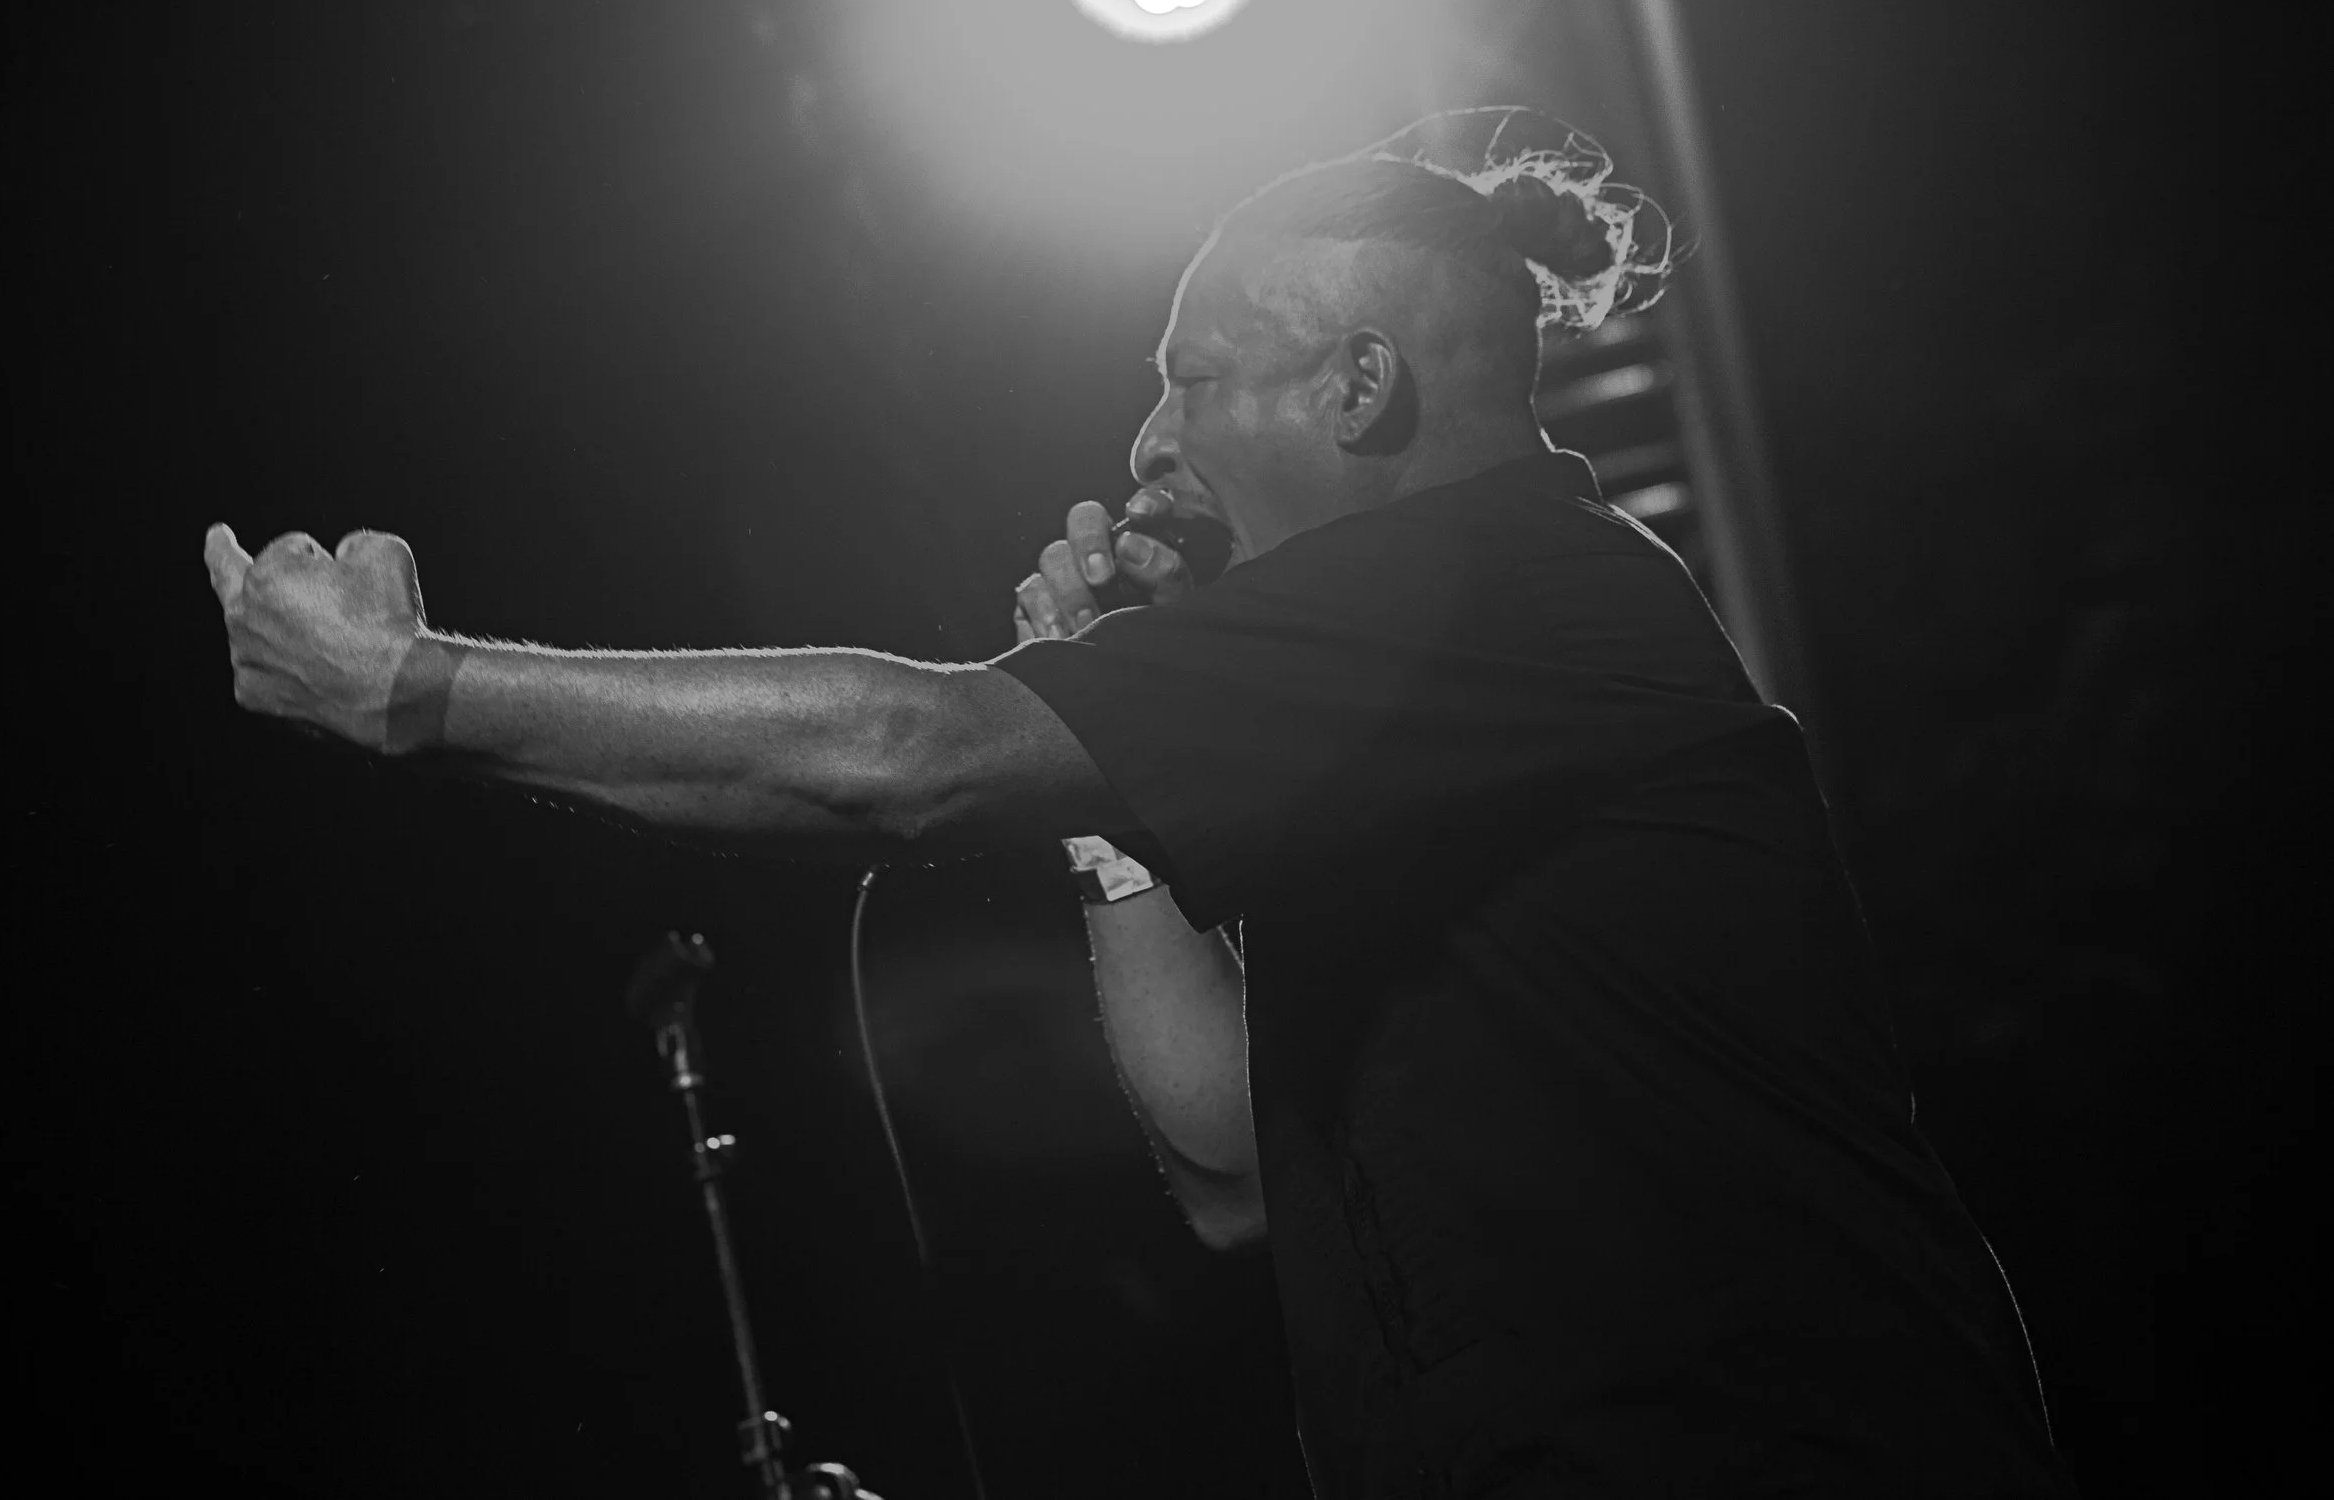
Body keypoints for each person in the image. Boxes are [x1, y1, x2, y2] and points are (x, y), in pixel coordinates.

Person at [206, 109, 2074, 1498]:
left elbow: (902, 752)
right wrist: (1119, 810)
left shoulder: (1518, 586)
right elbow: (1231, 1172)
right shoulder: (1404, 707)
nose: (1147, 442)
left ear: (1358, 387)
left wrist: (415, 689)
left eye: (1190, 375)